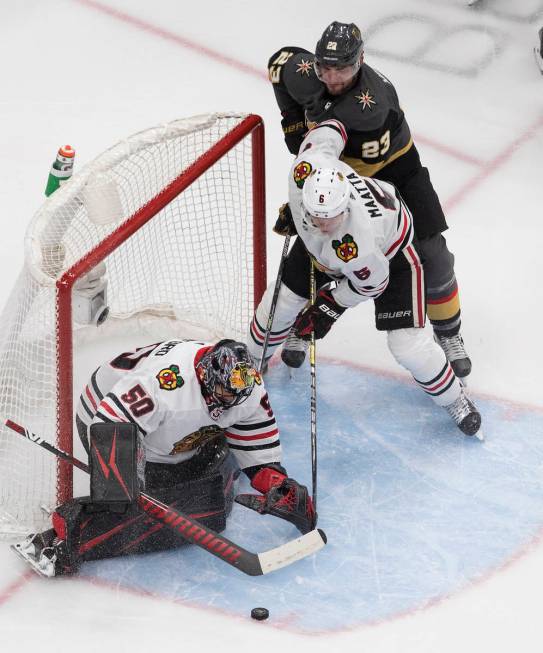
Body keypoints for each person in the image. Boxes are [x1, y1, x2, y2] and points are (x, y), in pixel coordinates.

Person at [248, 120, 481, 438]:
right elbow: (328, 133)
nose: (323, 223)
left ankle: (455, 399)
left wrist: (328, 307)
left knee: (406, 344)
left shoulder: (357, 243)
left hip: (391, 258)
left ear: (344, 206)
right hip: (327, 251)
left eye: (330, 218)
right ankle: (248, 367)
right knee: (281, 303)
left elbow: (371, 284)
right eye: (316, 215)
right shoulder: (305, 170)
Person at [266, 21, 471, 377]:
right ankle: (302, 325)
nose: (331, 77)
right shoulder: (306, 75)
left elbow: (365, 180)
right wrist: (293, 123)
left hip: (394, 170)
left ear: (361, 60)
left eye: (342, 68)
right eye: (324, 67)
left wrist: (304, 194)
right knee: (317, 249)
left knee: (432, 252)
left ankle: (449, 333)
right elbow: (278, 66)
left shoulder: (369, 108)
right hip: (340, 168)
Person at [13, 338, 315, 577]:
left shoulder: (244, 387)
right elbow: (108, 422)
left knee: (217, 474)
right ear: (207, 377)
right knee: (190, 507)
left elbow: (254, 439)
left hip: (164, 430)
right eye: (223, 392)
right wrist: (124, 478)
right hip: (107, 419)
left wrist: (277, 484)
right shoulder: (166, 384)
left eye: (236, 395)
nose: (231, 401)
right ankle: (64, 538)